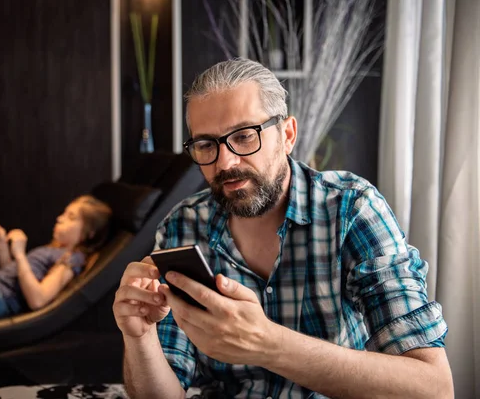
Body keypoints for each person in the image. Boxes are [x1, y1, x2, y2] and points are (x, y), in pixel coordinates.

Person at [113, 58, 454, 398]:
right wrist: (139, 338)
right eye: (206, 145)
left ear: (287, 134)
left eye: (245, 137)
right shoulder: (182, 226)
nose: (225, 162)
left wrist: (266, 343)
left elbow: (433, 388)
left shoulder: (352, 209)